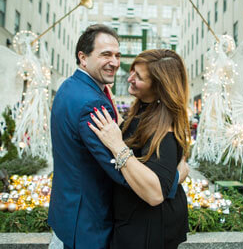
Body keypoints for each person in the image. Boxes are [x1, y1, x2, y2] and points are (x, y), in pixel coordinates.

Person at [48, 25, 188, 249]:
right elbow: (122, 173)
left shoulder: (70, 86)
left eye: (117, 55)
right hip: (88, 222)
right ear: (83, 58)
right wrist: (175, 177)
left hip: (73, 210)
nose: (115, 63)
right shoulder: (92, 102)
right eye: (106, 55)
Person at [88, 49, 191, 249]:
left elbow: (155, 194)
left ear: (160, 87)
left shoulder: (165, 128)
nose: (130, 78)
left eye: (139, 77)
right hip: (134, 220)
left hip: (147, 230)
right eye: (133, 71)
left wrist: (117, 146)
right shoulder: (146, 108)